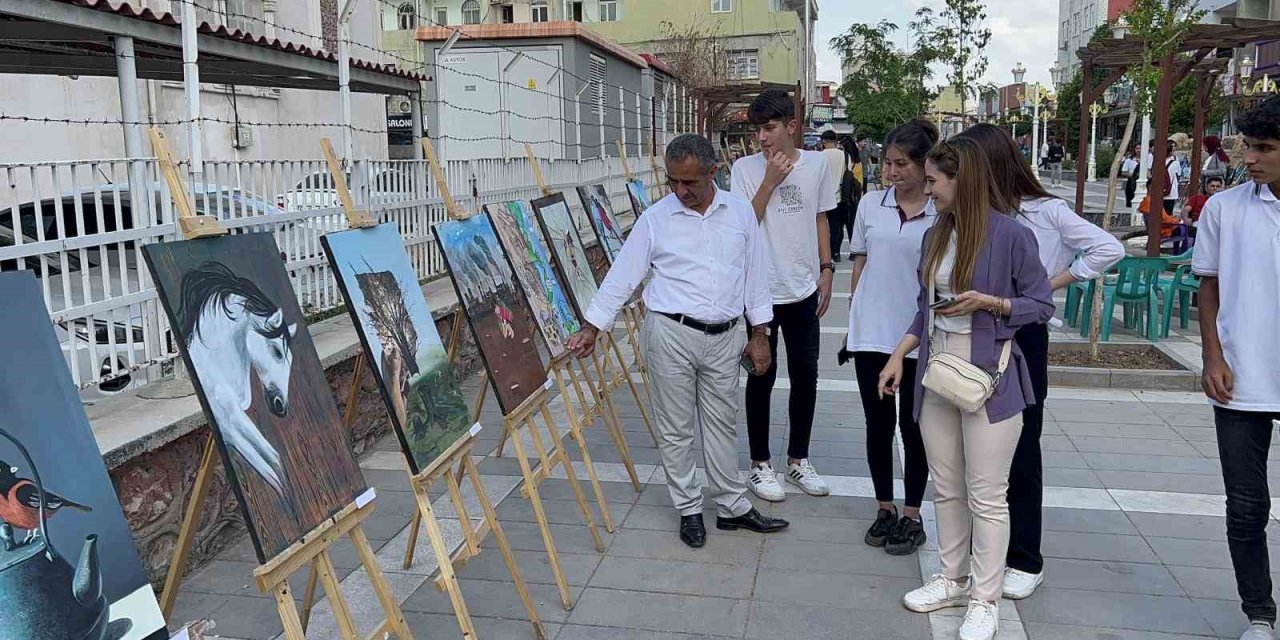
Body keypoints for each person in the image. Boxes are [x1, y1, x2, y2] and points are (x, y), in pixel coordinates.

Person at [565, 133, 789, 548]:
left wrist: (761, 334)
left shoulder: (740, 214)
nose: (681, 191)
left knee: (722, 422)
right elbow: (622, 277)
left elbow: (755, 277)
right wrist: (592, 326)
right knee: (675, 427)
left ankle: (731, 506)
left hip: (725, 335)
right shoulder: (656, 219)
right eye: (673, 182)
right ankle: (688, 508)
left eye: (691, 182)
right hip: (671, 333)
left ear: (713, 173)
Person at [878, 137, 1054, 640]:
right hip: (937, 372)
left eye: (934, 180)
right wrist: (898, 355)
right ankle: (952, 578)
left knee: (987, 496)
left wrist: (991, 303)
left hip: (992, 378)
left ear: (963, 181)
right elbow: (924, 305)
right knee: (947, 487)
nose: (926, 188)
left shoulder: (1010, 236)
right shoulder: (937, 233)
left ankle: (985, 598)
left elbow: (1040, 306)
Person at [958, 123, 1125, 600]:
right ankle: (982, 550)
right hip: (977, 333)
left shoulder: (1045, 211)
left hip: (1025, 334)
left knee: (1023, 448)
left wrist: (1050, 284)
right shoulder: (973, 212)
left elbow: (1107, 248)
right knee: (976, 447)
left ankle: (1025, 558)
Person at [1193, 95, 1280, 640]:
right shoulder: (1226, 208)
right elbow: (1209, 285)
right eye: (1248, 146)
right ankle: (1260, 614)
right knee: (1247, 506)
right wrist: (1212, 355)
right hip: (1243, 376)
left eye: (1263, 148)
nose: (1249, 156)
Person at [731, 89, 837, 501]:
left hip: (803, 288)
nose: (762, 137)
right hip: (760, 292)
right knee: (761, 375)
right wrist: (770, 181)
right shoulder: (744, 169)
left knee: (806, 376)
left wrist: (826, 270)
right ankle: (760, 465)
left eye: (769, 128)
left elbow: (821, 218)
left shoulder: (816, 166)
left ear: (791, 126)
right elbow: (744, 222)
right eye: (758, 129)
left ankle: (798, 460)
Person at [846, 118, 939, 557]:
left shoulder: (944, 210)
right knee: (878, 426)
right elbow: (860, 266)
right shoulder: (870, 205)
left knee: (915, 426)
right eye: (887, 163)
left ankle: (912, 515)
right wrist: (854, 320)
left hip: (918, 335)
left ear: (925, 166)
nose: (892, 172)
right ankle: (884, 507)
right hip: (871, 335)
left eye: (902, 163)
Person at [820, 130, 852, 261]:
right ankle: (836, 252)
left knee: (821, 225)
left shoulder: (820, 156)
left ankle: (824, 254)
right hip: (840, 196)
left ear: (823, 141)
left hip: (822, 197)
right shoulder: (845, 155)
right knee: (836, 227)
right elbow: (848, 173)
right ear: (835, 141)